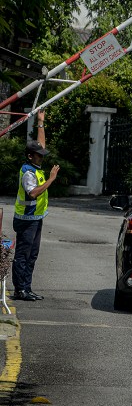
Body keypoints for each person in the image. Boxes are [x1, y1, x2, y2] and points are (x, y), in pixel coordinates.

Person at [11, 110, 60, 301]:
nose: (42, 156)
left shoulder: (35, 165)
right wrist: (51, 179)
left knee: (32, 255)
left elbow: (42, 145)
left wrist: (40, 123)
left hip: (36, 218)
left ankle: (27, 288)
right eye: (39, 155)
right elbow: (33, 192)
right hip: (26, 220)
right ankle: (19, 290)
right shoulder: (28, 172)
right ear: (31, 156)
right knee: (23, 255)